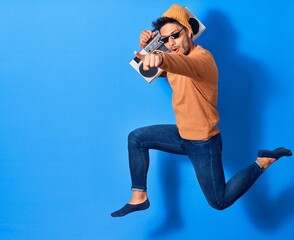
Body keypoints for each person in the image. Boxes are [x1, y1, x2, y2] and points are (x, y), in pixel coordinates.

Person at [111, 4, 292, 217]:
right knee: (136, 138)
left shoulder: (203, 59)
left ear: (188, 31)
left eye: (175, 36)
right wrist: (148, 49)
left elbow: (180, 64)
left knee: (219, 201)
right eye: (165, 40)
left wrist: (160, 57)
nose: (171, 43)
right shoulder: (174, 58)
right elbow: (152, 71)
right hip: (181, 134)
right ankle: (139, 196)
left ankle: (262, 161)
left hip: (203, 143)